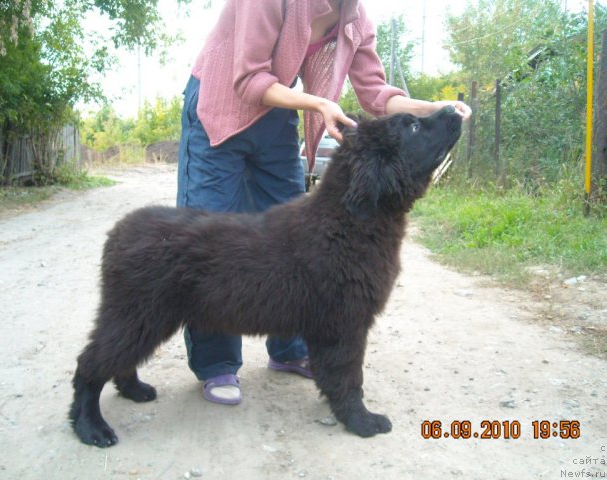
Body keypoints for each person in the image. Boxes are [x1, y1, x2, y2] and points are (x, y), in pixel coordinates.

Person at [177, 0, 471, 406]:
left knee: (294, 238)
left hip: (277, 111)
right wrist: (317, 102)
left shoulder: (354, 17)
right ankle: (216, 363)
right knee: (209, 232)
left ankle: (291, 349)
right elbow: (247, 80)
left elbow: (375, 93)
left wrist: (432, 109)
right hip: (220, 102)